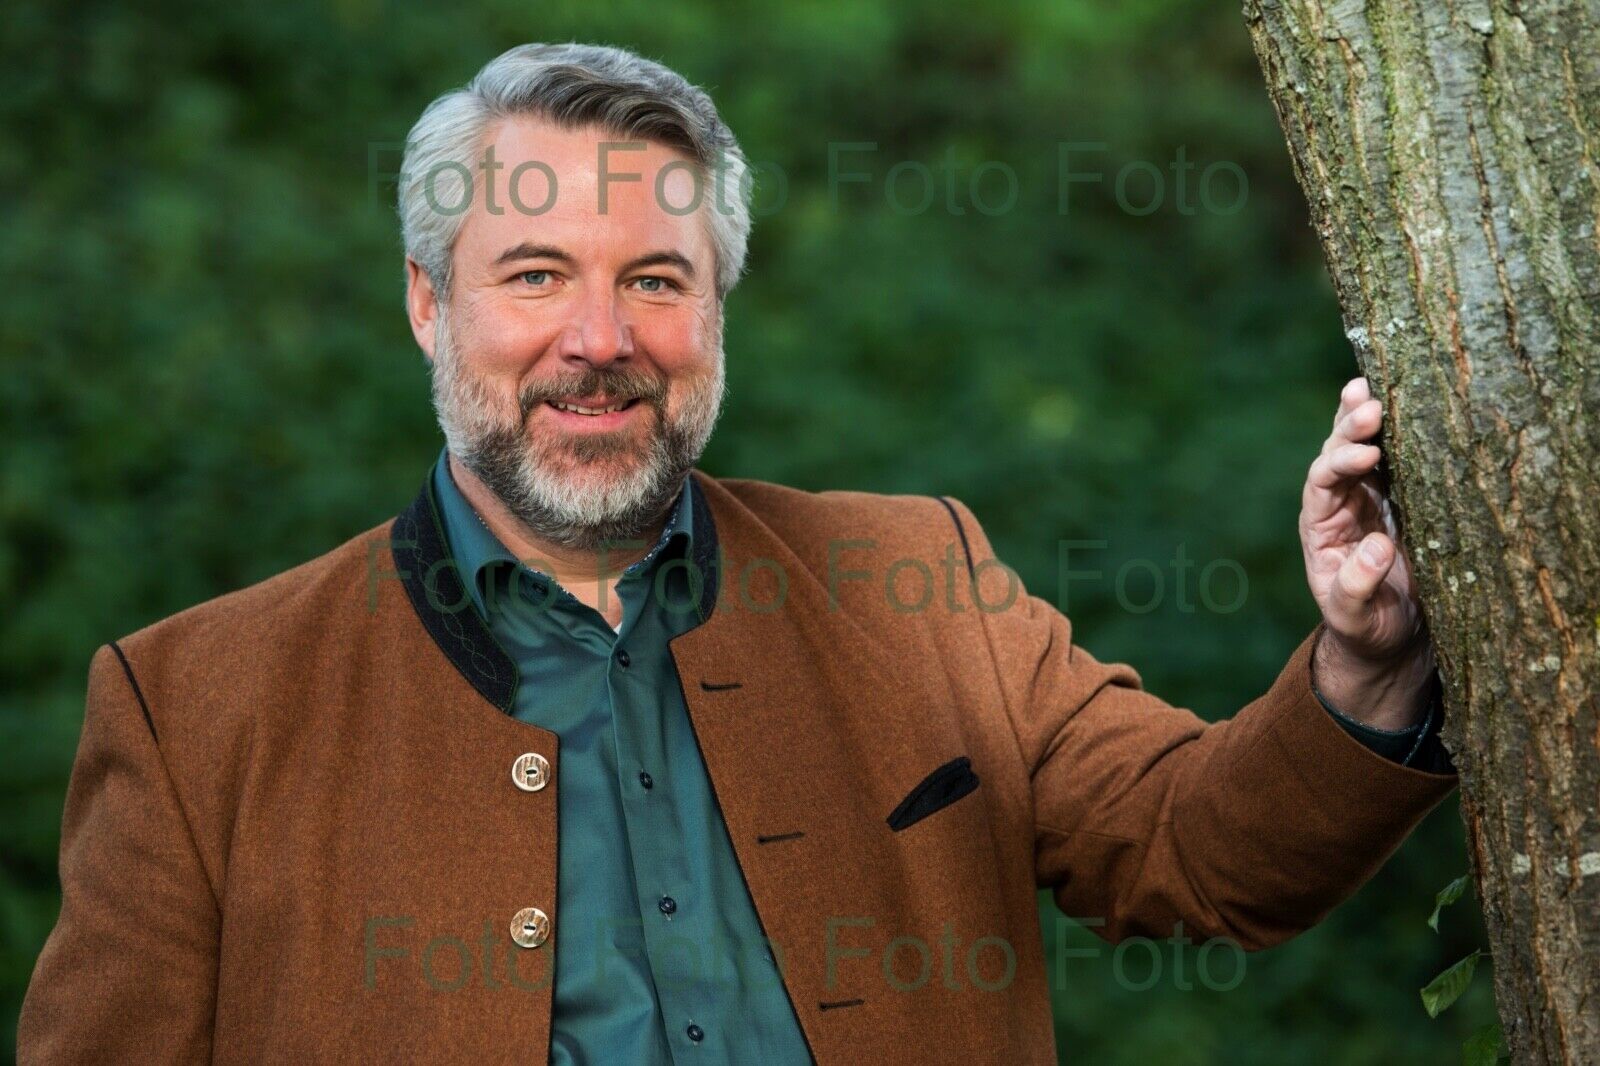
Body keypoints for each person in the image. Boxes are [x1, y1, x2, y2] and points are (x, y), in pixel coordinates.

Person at [18, 42, 1455, 1065]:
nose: (601, 340)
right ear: (425, 304)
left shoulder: (917, 578)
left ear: (718, 310)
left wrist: (1366, 656)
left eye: (656, 279)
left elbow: (1200, 855)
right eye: (535, 277)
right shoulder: (195, 705)